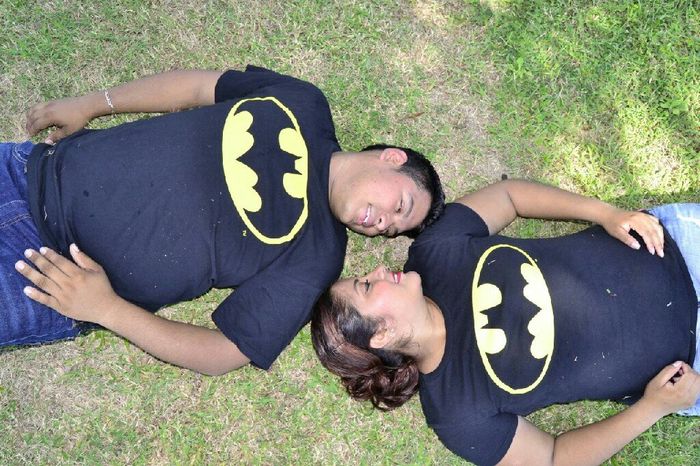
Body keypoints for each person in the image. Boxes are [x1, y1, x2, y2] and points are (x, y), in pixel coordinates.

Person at [1, 65, 445, 376]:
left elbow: (225, 353)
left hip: (51, 275)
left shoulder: (318, 258)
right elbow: (199, 86)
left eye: (391, 229)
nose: (383, 223)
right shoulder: (305, 104)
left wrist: (105, 309)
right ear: (392, 158)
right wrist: (94, 104)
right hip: (28, 171)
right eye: (400, 206)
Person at [311, 179, 700, 465]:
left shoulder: (434, 251)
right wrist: (654, 408)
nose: (379, 269)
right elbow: (552, 458)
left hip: (675, 245)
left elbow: (508, 195)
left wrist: (606, 213)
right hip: (691, 362)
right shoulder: (456, 412)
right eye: (366, 285)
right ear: (381, 334)